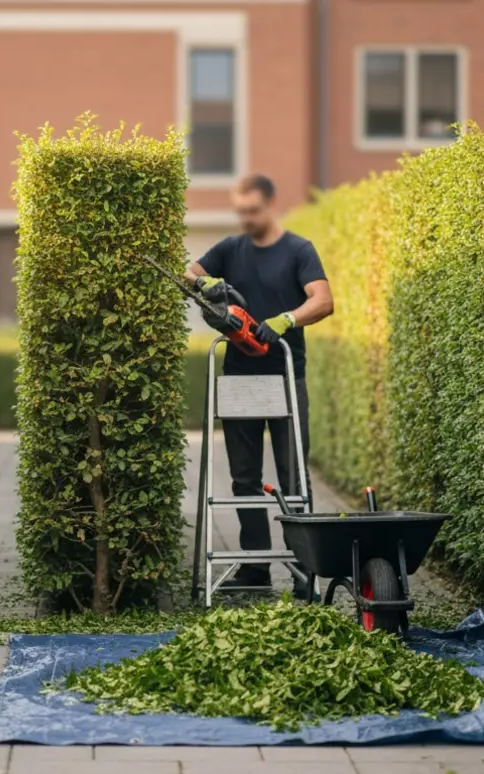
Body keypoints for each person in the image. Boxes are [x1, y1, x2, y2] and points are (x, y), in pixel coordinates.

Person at [184, 173, 334, 593]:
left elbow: (322, 300)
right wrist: (204, 284)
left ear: (270, 205)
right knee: (243, 477)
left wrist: (287, 319)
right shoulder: (231, 249)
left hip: (285, 377)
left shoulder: (298, 250)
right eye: (241, 211)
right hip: (239, 378)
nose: (246, 218)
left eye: (253, 210)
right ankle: (255, 568)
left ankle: (305, 572)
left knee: (294, 476)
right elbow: (188, 274)